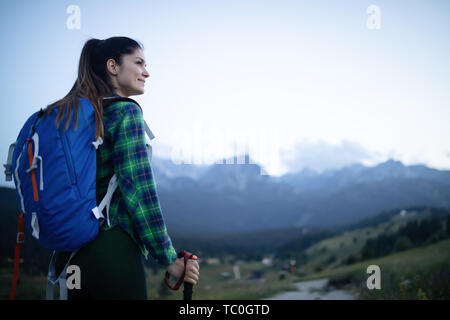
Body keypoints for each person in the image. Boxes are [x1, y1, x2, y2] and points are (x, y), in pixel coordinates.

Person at [50, 36, 199, 299]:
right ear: (113, 66)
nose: (147, 72)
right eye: (139, 62)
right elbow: (139, 192)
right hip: (112, 250)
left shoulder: (76, 116)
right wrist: (169, 259)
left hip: (69, 256)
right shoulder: (125, 112)